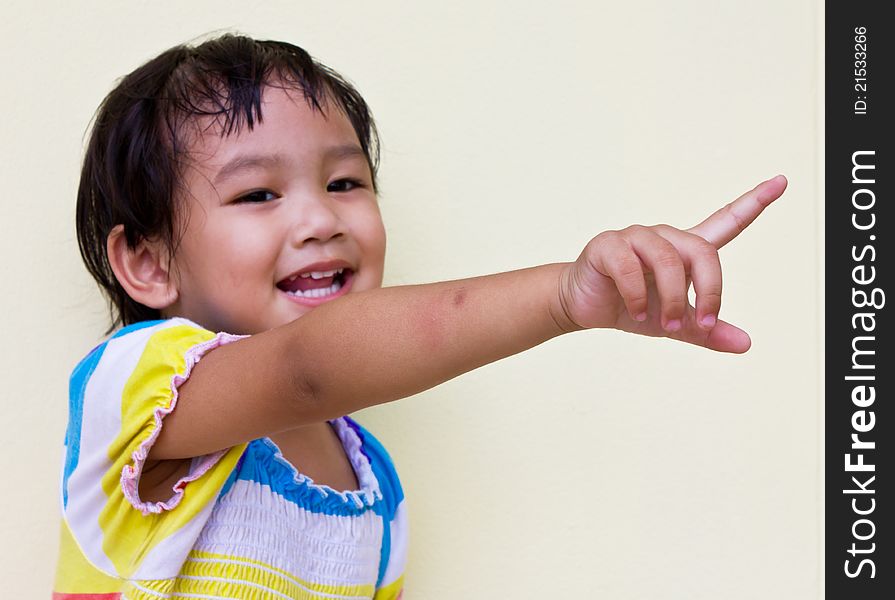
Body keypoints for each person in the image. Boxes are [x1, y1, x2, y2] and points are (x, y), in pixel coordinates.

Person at [54, 33, 787, 599]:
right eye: (258, 195)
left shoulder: (373, 480)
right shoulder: (135, 388)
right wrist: (564, 296)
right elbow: (307, 368)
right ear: (148, 263)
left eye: (345, 182)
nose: (320, 218)